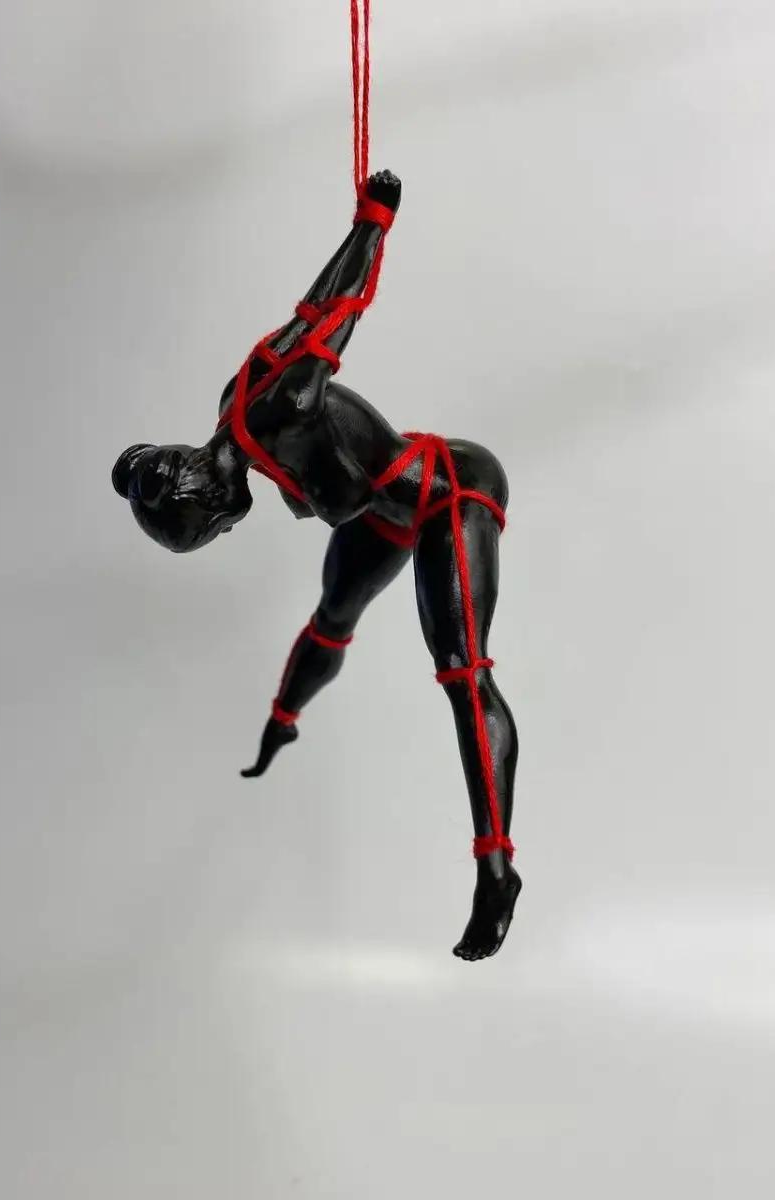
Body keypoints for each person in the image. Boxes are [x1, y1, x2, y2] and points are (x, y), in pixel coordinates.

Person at [112, 171, 521, 960]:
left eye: (216, 529)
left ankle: (497, 871)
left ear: (207, 499)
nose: (232, 527)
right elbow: (313, 320)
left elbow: (331, 312)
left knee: (462, 672)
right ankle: (284, 720)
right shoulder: (236, 414)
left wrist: (373, 222)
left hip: (452, 490)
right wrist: (279, 723)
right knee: (333, 617)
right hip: (384, 515)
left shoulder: (277, 406)